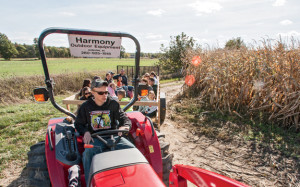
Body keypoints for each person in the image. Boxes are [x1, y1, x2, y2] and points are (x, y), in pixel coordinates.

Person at [74, 79, 135, 184]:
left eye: (106, 92)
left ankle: (133, 180)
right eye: (101, 93)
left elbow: (125, 119)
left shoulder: (113, 104)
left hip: (114, 138)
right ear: (93, 92)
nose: (104, 95)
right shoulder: (86, 107)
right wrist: (86, 132)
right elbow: (78, 124)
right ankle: (90, 183)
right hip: (96, 139)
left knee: (132, 150)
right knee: (87, 154)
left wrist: (124, 127)